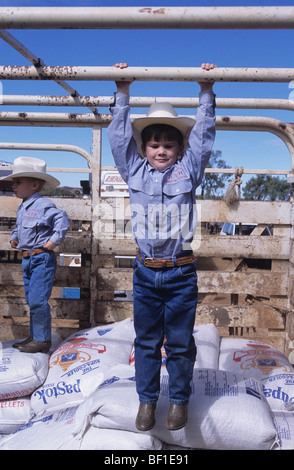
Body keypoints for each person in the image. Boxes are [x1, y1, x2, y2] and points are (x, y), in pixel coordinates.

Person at [107, 62, 217, 431]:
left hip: (181, 271)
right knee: (148, 341)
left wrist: (205, 91)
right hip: (145, 271)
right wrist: (122, 92)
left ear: (180, 147)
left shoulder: (189, 171)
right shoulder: (134, 171)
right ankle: (147, 402)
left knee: (182, 342)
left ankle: (180, 401)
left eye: (169, 145)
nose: (161, 150)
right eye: (154, 144)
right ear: (144, 148)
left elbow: (203, 140)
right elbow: (119, 141)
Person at [0, 157, 70, 353]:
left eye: (18, 182)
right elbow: (19, 227)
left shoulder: (43, 205)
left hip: (41, 259)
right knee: (33, 299)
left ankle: (42, 339)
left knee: (38, 300)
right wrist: (15, 237)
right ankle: (35, 335)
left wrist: (52, 242)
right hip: (28, 259)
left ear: (34, 184)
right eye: (14, 182)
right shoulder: (23, 207)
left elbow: (62, 221)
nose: (13, 186)